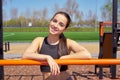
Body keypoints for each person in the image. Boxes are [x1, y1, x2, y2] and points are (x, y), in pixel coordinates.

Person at [22, 11, 91, 80]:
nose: (55, 25)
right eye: (54, 21)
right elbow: (26, 55)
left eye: (61, 24)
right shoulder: (39, 41)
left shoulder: (67, 42)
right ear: (50, 21)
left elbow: (87, 54)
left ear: (65, 29)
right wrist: (47, 57)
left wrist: (62, 59)